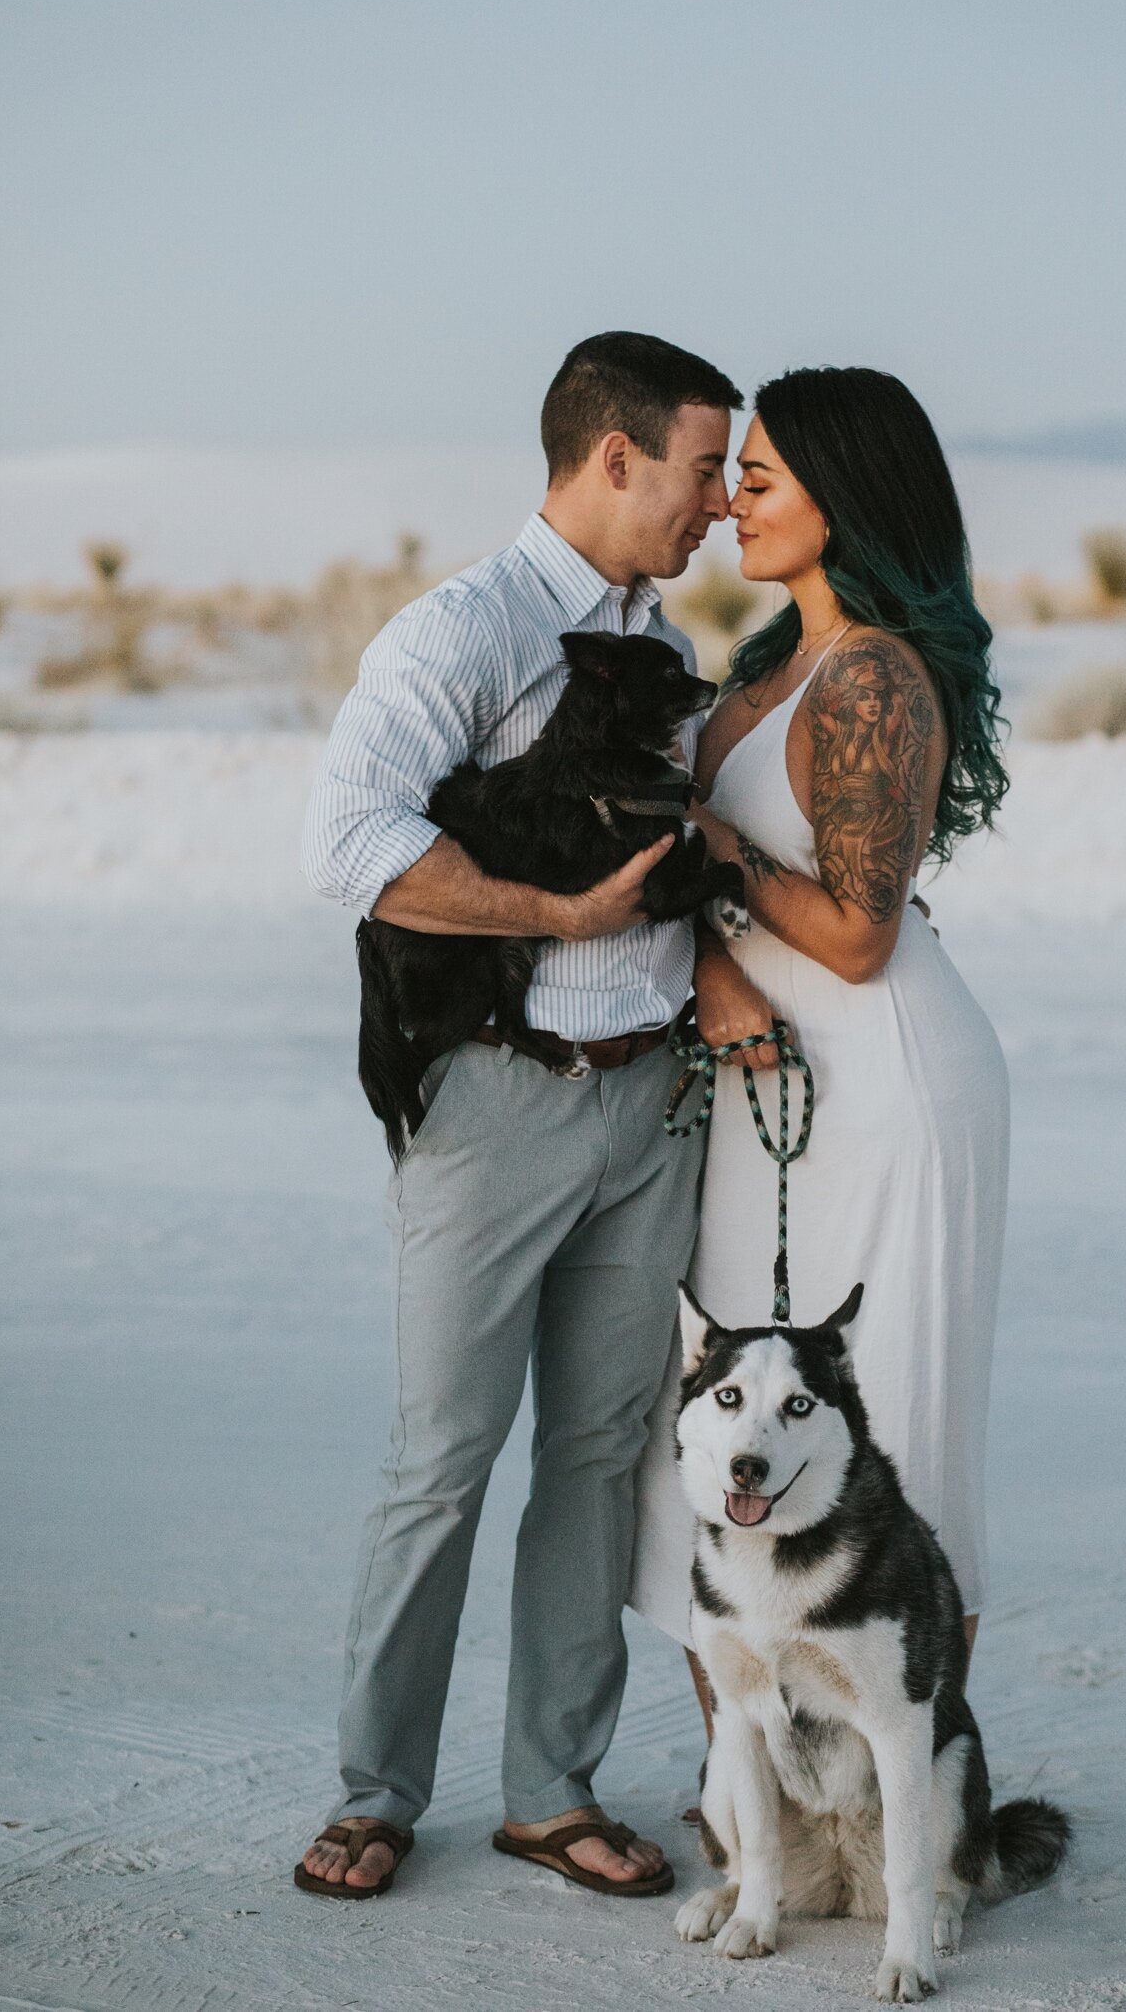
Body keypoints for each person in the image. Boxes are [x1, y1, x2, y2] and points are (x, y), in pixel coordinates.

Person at [294, 332, 742, 1900]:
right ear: (613, 457)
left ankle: (552, 1787)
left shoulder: (666, 641)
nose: (721, 505)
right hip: (496, 1107)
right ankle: (375, 1790)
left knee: (603, 1456)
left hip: (651, 1111)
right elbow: (348, 836)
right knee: (445, 1456)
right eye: (703, 467)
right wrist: (551, 915)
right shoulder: (464, 630)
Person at [628, 366, 1011, 1731]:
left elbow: (857, 931)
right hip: (763, 1086)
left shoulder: (875, 679)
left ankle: (904, 1795)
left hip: (879, 1080)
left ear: (843, 502)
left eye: (766, 477)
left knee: (882, 1419)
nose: (732, 493)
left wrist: (719, 855)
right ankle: (760, 1794)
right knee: (726, 1420)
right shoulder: (769, 663)